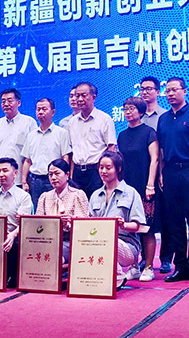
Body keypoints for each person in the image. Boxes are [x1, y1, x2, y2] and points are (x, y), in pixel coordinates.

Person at [156, 77, 189, 284]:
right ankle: (180, 266)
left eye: (174, 90)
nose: (170, 94)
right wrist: (161, 173)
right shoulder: (164, 118)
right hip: (170, 172)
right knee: (174, 221)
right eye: (167, 91)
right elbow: (161, 149)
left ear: (184, 91)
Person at [89, 151, 146, 288]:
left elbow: (138, 226)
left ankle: (118, 276)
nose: (103, 171)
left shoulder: (131, 193)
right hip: (99, 242)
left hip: (127, 246)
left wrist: (123, 225)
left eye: (108, 168)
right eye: (101, 167)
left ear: (118, 169)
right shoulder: (95, 195)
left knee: (106, 241)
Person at [117, 97, 159, 282]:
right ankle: (134, 266)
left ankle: (148, 267)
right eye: (126, 109)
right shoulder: (122, 135)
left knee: (146, 228)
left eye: (132, 108)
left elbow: (154, 159)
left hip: (144, 186)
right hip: (127, 188)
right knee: (129, 227)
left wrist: (150, 185)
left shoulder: (149, 132)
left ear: (141, 111)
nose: (128, 112)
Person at [138, 76, 173, 274]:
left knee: (166, 216)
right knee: (143, 218)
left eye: (149, 89)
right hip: (142, 173)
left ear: (158, 92)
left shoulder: (165, 116)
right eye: (142, 89)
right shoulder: (137, 116)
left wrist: (160, 172)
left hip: (162, 173)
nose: (145, 92)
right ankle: (145, 257)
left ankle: (166, 258)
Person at [0, 157, 33, 288]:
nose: (1, 174)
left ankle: (9, 277)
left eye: (5, 170)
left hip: (15, 237)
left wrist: (12, 235)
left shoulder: (24, 197)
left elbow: (25, 223)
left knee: (14, 245)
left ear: (15, 173)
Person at [35, 159, 90, 270]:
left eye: (57, 173)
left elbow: (84, 225)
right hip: (47, 240)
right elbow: (37, 222)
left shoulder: (77, 195)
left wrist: (68, 223)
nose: (53, 177)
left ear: (67, 175)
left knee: (54, 257)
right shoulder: (45, 196)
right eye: (50, 174)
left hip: (70, 240)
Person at [21, 98, 71, 208]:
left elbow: (65, 157)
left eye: (44, 109)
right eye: (38, 109)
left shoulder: (62, 133)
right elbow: (27, 161)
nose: (40, 112)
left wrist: (64, 178)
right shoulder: (31, 136)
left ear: (53, 112)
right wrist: (24, 181)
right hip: (35, 181)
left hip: (54, 180)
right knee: (38, 211)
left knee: (56, 210)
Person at [69, 82, 116, 199]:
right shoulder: (72, 122)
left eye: (84, 95)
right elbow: (72, 151)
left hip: (97, 172)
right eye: (77, 96)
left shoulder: (104, 119)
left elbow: (112, 149)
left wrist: (109, 173)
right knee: (78, 207)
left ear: (93, 97)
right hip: (77, 173)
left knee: (97, 206)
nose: (79, 99)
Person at [0, 88, 36, 192]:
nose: (6, 104)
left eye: (10, 100)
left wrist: (25, 180)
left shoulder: (29, 123)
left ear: (18, 103)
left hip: (21, 180)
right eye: (3, 101)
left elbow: (33, 152)